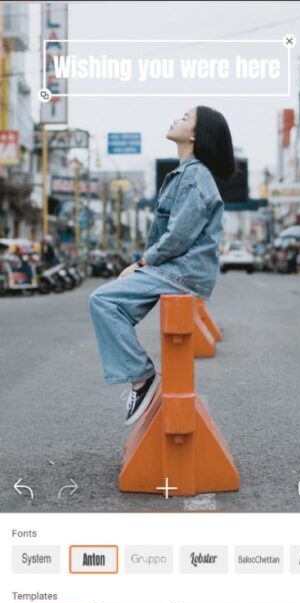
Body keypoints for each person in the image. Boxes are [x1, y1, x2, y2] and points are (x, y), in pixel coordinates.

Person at [89, 106, 234, 426]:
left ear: (195, 134)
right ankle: (139, 375)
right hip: (177, 270)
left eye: (184, 118)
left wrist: (141, 263)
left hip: (180, 271)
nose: (175, 120)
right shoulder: (187, 172)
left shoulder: (195, 175)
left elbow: (179, 236)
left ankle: (141, 378)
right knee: (114, 305)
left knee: (103, 299)